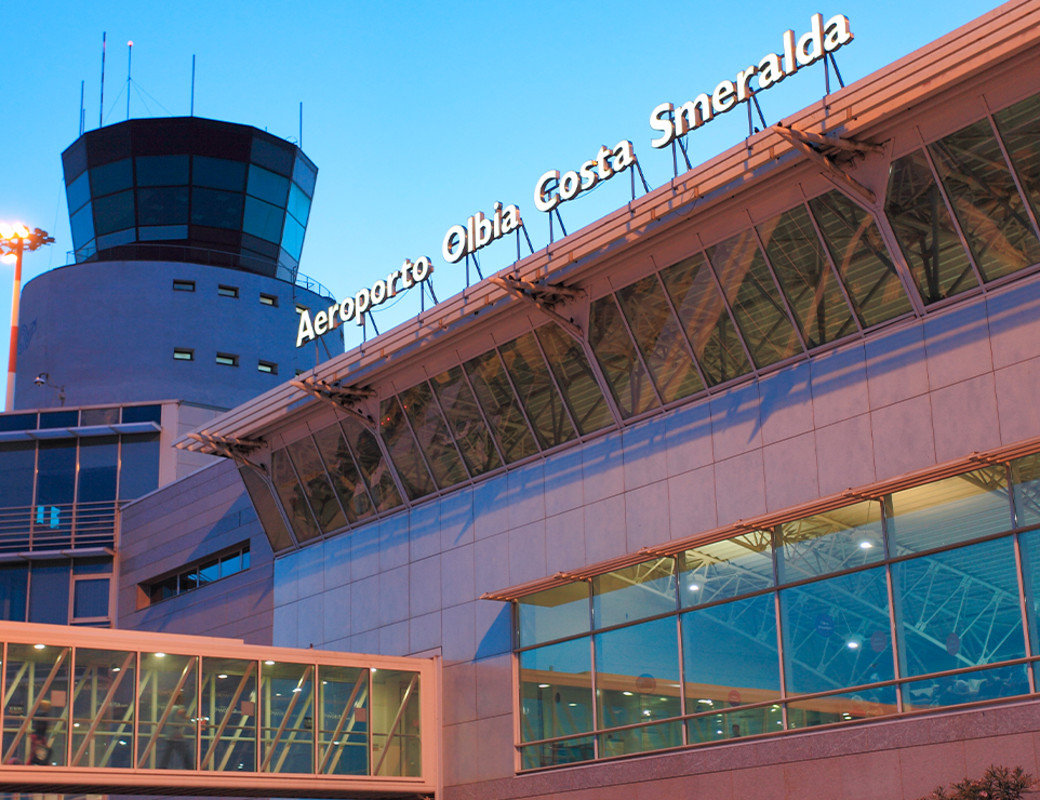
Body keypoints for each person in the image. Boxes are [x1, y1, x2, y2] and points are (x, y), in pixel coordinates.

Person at [158, 693, 193, 769]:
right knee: (185, 755)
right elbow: (180, 715)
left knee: (167, 755)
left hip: (170, 735)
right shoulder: (177, 708)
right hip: (177, 736)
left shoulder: (170, 708)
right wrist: (185, 718)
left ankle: (161, 768)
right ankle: (191, 769)